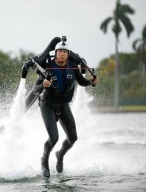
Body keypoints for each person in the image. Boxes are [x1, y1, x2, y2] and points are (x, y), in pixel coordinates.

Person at [31, 40, 99, 179]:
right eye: (59, 52)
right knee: (54, 138)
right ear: (56, 54)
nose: (62, 54)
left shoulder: (72, 66)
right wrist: (43, 84)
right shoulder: (47, 68)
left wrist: (91, 82)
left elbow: (81, 82)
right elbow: (35, 90)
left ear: (68, 55)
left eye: (64, 52)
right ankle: (44, 159)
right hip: (47, 105)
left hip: (64, 105)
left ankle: (60, 154)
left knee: (73, 138)